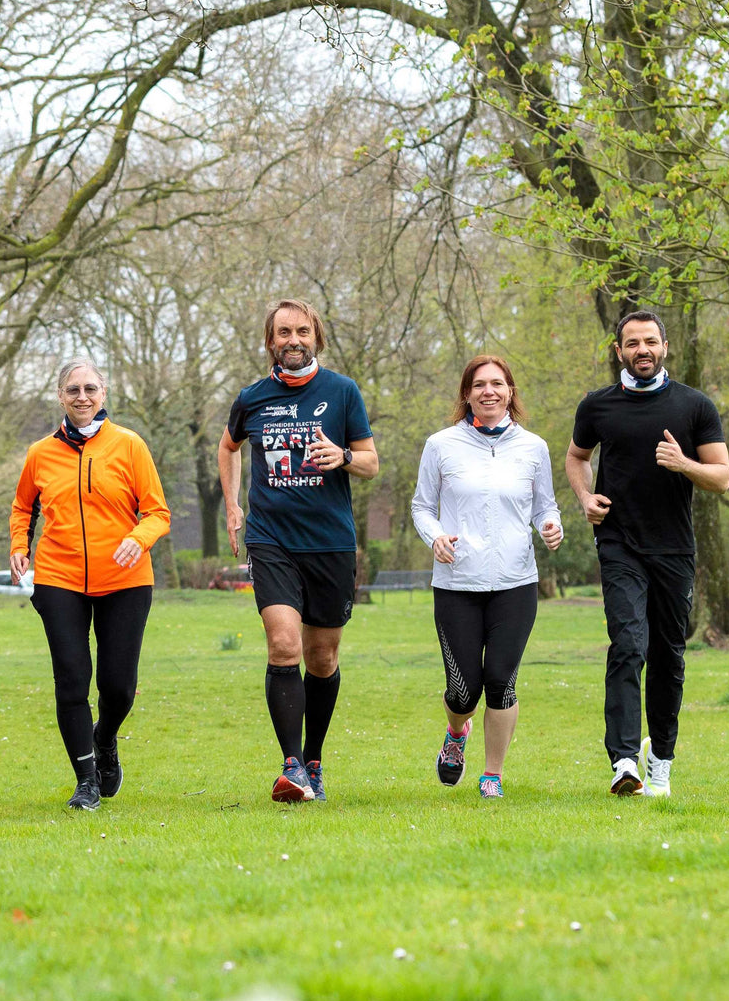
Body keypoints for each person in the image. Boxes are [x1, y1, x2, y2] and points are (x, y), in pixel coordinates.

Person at [218, 299, 378, 803]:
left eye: (302, 331)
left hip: (330, 543)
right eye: (283, 332)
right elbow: (228, 447)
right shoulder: (251, 398)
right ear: (270, 340)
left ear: (316, 337)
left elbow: (372, 463)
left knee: (322, 656)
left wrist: (344, 456)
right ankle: (291, 767)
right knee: (284, 644)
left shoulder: (342, 391)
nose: (293, 339)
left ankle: (314, 758)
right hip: (272, 539)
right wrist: (233, 508)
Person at [565, 311, 729, 798]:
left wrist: (684, 464)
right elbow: (577, 456)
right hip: (618, 543)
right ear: (618, 350)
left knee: (668, 656)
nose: (643, 349)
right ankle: (623, 761)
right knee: (628, 644)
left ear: (665, 347)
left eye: (651, 341)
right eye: (633, 342)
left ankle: (661, 758)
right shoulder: (597, 406)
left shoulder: (695, 405)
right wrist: (585, 497)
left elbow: (721, 477)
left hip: (674, 547)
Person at [9, 359, 170, 811]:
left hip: (125, 579)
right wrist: (18, 545)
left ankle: (106, 738)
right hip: (59, 579)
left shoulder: (130, 445)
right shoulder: (40, 452)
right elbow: (23, 508)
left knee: (118, 687)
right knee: (72, 681)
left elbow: (158, 512)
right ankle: (86, 781)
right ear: (60, 395)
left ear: (104, 393)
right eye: (73, 389)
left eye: (91, 388)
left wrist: (136, 540)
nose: (83, 397)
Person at [410, 356, 563, 798]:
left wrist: (550, 525)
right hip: (457, 583)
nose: (489, 391)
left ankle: (492, 774)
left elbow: (544, 506)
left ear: (511, 392)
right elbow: (422, 506)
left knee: (500, 680)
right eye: (479, 384)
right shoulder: (441, 445)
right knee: (463, 692)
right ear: (466, 393)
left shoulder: (534, 447)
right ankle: (457, 734)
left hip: (516, 583)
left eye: (498, 384)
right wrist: (435, 536)